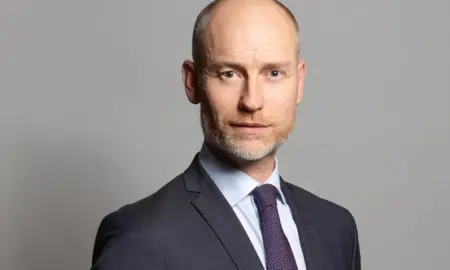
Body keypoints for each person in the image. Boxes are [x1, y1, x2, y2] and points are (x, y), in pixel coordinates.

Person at [90, 0, 361, 269]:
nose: (252, 101)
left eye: (274, 73)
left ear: (299, 82)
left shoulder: (336, 230)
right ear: (192, 81)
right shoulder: (140, 238)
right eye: (229, 73)